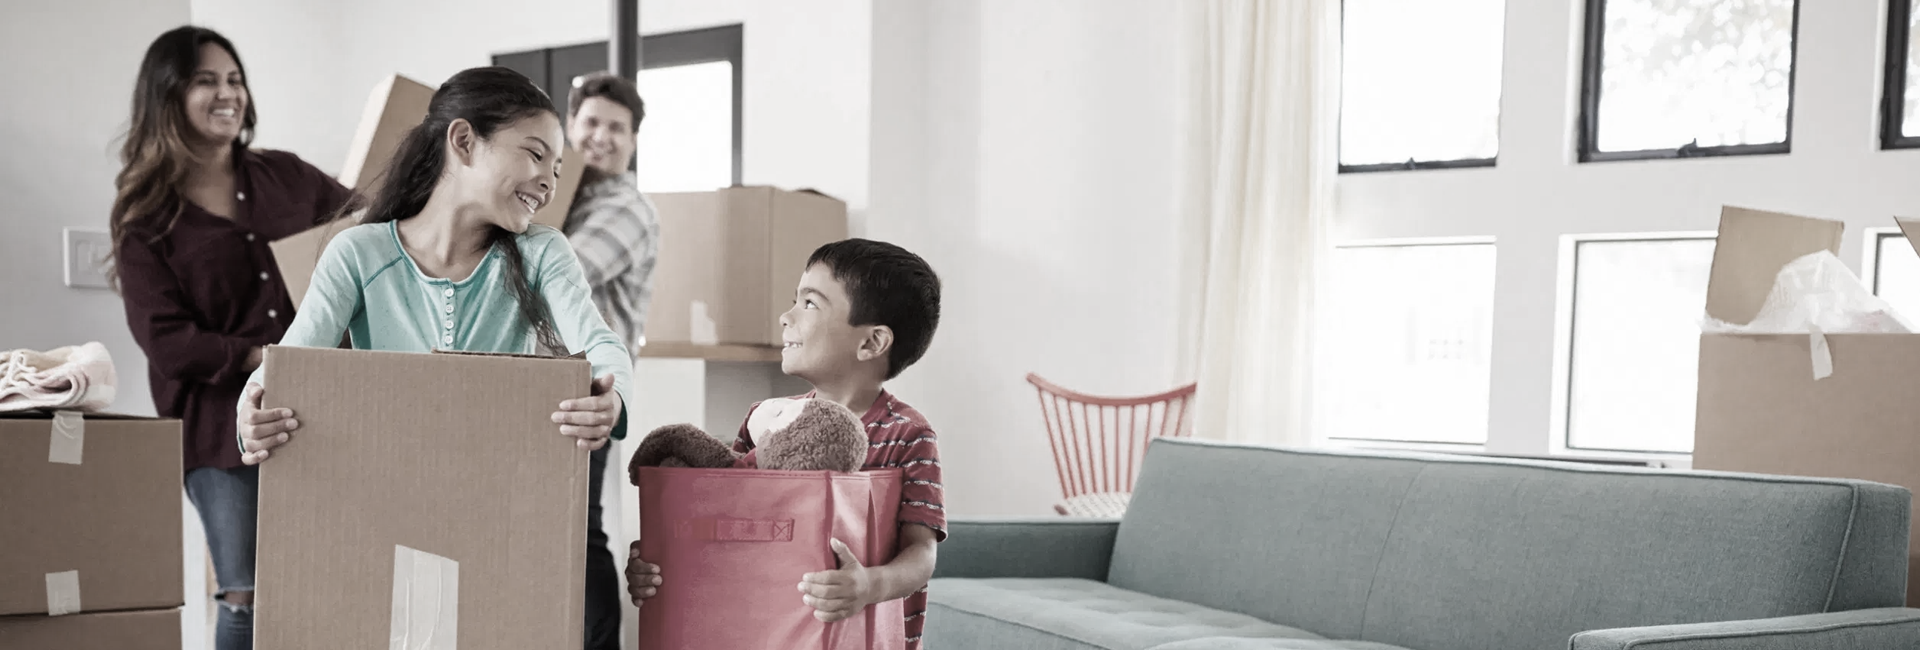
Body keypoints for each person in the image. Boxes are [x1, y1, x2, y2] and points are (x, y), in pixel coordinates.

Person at [231, 67, 632, 485]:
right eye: (535, 154)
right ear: (464, 142)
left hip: (498, 489)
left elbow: (599, 343)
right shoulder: (358, 254)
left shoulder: (543, 252)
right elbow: (291, 361)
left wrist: (613, 395)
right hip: (385, 486)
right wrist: (253, 412)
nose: (549, 183)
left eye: (557, 168)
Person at [110, 26, 357, 650]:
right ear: (167, 97)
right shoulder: (146, 217)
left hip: (322, 412)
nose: (228, 94)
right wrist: (259, 357)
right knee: (247, 593)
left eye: (234, 79)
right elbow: (167, 341)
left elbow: (367, 231)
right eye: (205, 81)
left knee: (333, 579)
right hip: (219, 433)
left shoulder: (288, 178)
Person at [626, 239, 945, 649]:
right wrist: (661, 556)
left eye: (810, 304)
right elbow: (727, 524)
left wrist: (869, 585)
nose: (785, 316)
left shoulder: (908, 432)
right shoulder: (766, 420)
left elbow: (921, 554)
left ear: (871, 343)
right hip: (760, 631)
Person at [560, 70, 659, 650]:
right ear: (571, 128)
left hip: (589, 389)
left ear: (634, 140)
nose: (601, 136)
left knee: (580, 534)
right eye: (591, 122)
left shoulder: (628, 210)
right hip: (546, 386)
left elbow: (567, 270)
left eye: (616, 128)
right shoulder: (561, 200)